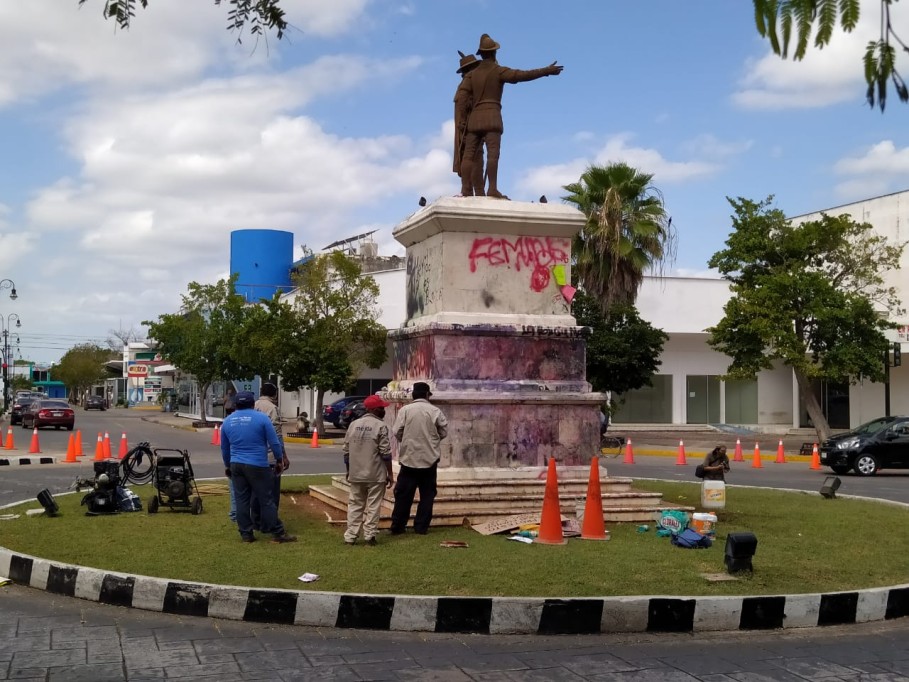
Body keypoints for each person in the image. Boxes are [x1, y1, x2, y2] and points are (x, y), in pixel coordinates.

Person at [458, 33, 563, 199]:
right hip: (492, 116)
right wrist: (546, 71)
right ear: (494, 53)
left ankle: (465, 189)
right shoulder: (499, 71)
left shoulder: (471, 75)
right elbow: (522, 75)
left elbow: (461, 98)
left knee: (468, 155)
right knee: (493, 154)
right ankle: (492, 188)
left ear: (482, 54)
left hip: (474, 120)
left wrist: (463, 120)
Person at [220, 390, 296, 544]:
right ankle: (277, 533)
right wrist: (279, 460)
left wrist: (228, 465)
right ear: (252, 403)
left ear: (236, 404)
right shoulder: (262, 418)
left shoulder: (227, 421)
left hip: (237, 465)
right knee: (266, 499)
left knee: (242, 501)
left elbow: (225, 448)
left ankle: (246, 535)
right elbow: (274, 442)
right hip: (258, 465)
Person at [390, 382, 448, 535]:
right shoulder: (435, 411)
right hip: (429, 460)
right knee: (427, 496)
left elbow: (397, 431)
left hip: (409, 459)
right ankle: (421, 527)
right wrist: (431, 440)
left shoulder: (405, 410)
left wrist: (408, 439)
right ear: (427, 395)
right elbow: (443, 432)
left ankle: (398, 526)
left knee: (403, 495)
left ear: (413, 395)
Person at [343, 395, 394, 546]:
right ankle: (369, 536)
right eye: (381, 408)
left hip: (356, 472)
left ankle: (350, 536)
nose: (384, 410)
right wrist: (390, 473)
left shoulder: (353, 425)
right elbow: (386, 453)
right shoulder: (380, 426)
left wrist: (349, 470)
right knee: (373, 506)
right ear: (373, 409)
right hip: (375, 473)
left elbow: (346, 452)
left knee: (355, 505)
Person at [251, 383, 289, 531]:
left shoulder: (252, 406)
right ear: (274, 394)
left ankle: (256, 522)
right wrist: (283, 456)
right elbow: (277, 436)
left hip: (254, 457)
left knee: (255, 492)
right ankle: (270, 524)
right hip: (270, 457)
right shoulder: (272, 408)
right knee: (271, 493)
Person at [453, 50, 485, 196]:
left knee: (476, 158)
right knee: (473, 158)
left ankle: (477, 191)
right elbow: (463, 106)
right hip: (466, 129)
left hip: (472, 128)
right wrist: (463, 125)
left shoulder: (473, 85)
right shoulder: (466, 86)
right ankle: (471, 190)